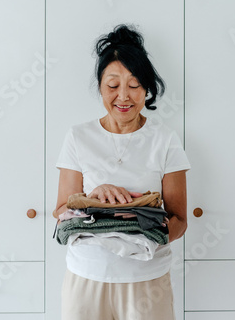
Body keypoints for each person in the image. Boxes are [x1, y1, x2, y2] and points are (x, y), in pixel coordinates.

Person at [54, 24, 190, 320]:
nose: (123, 96)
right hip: (86, 278)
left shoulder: (165, 139)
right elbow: (61, 210)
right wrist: (94, 196)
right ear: (100, 87)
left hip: (147, 280)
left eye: (134, 85)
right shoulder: (78, 136)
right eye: (113, 86)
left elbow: (179, 219)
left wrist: (146, 231)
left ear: (147, 88)